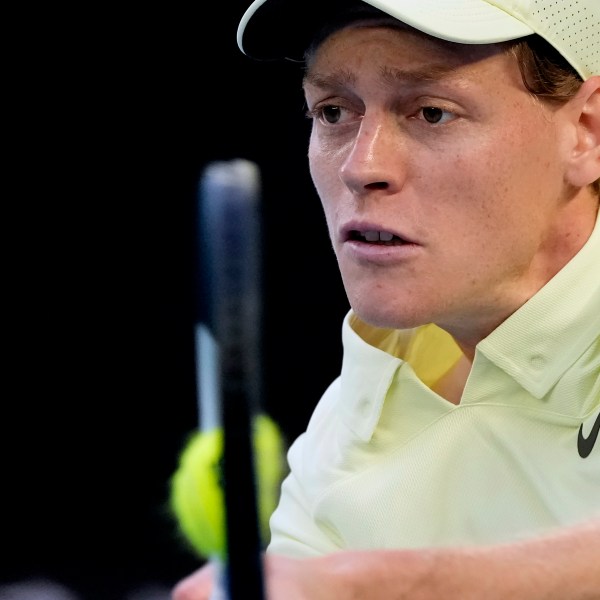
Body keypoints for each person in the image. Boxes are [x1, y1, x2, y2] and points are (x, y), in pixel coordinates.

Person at [173, 0, 600, 598]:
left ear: (586, 133)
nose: (362, 166)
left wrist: (383, 584)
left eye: (432, 112)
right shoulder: (346, 427)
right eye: (333, 111)